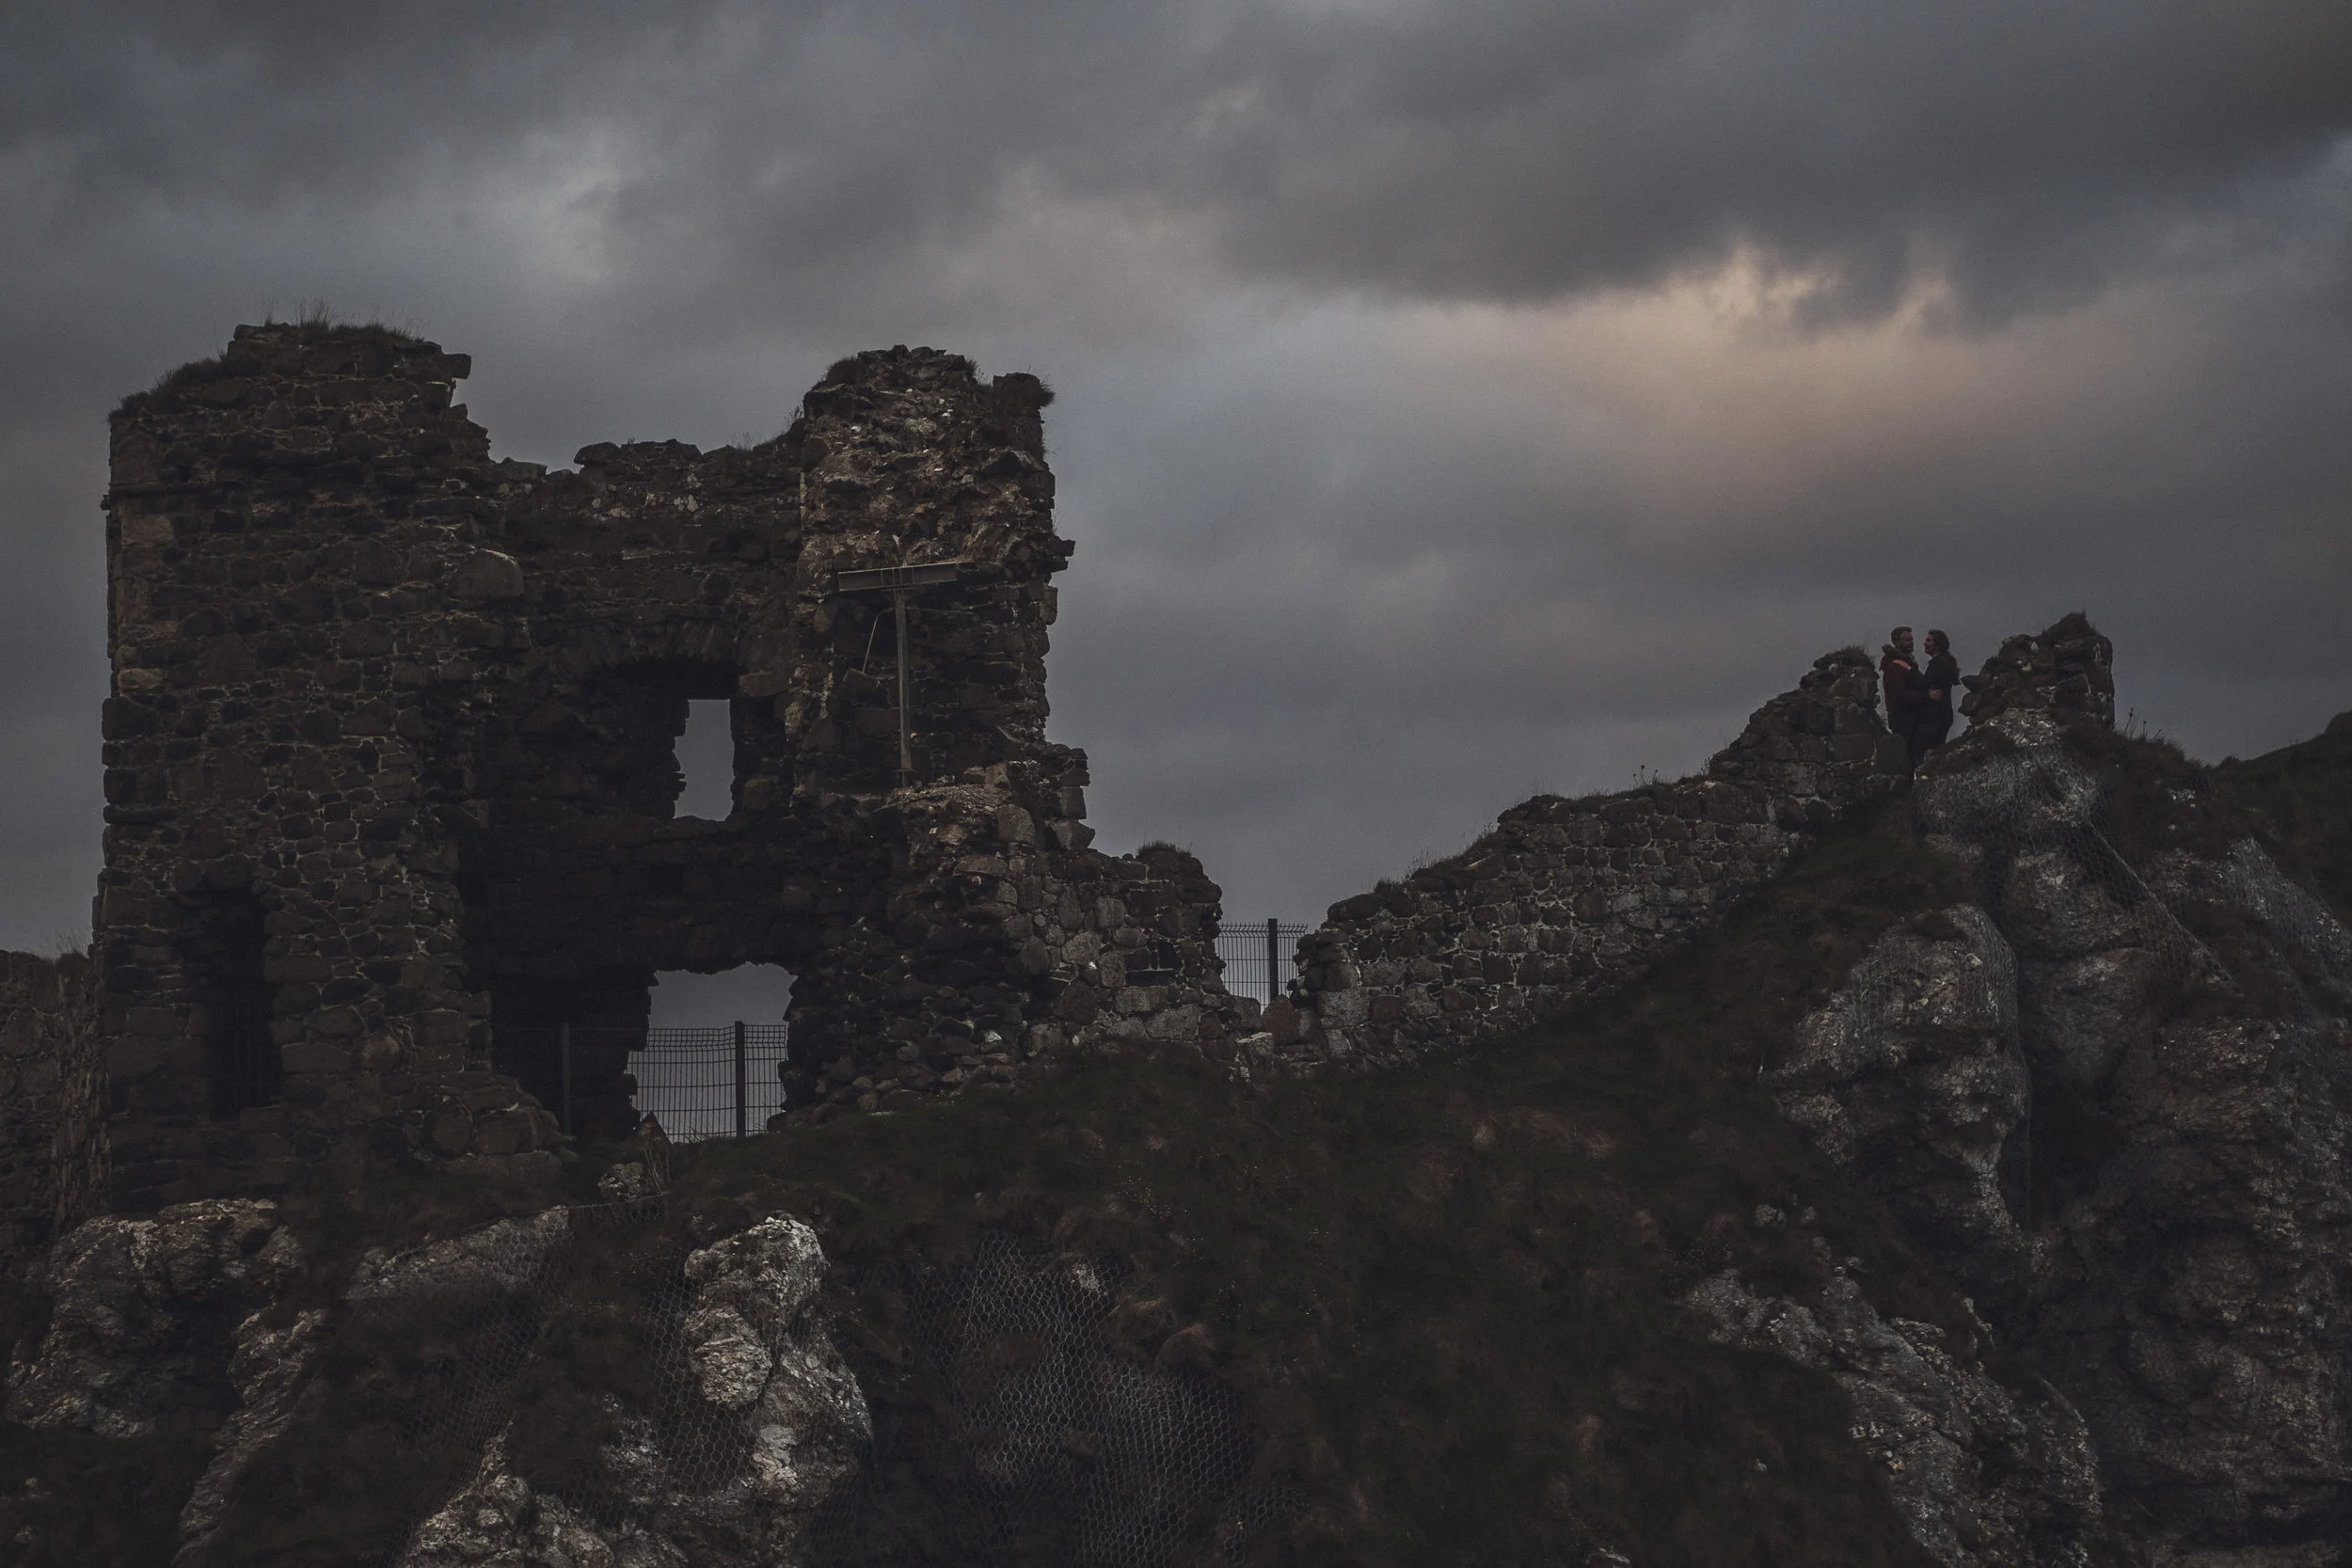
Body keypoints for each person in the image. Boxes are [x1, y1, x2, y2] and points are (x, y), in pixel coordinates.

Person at [1880, 626, 1929, 772]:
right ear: (1896, 642)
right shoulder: (1895, 666)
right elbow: (1899, 694)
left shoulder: (1906, 663)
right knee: (1909, 756)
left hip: (1910, 716)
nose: (1911, 642)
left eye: (1911, 639)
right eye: (1907, 640)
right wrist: (1925, 696)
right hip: (1903, 717)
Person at [1915, 629, 1960, 759]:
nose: (1925, 643)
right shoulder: (1945, 662)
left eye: (1929, 641)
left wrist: (1911, 671)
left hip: (1934, 716)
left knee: (1924, 753)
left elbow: (1924, 684)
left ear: (1938, 645)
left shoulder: (1937, 664)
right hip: (1943, 714)